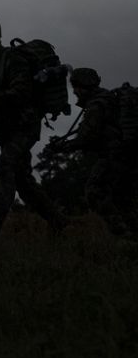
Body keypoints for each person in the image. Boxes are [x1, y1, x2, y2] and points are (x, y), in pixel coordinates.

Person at [0, 14, 67, 237]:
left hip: (24, 126)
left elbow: (20, 92)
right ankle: (58, 221)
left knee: (5, 167)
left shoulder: (12, 60)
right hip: (4, 129)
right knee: (23, 181)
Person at [47, 68, 137, 235]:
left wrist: (64, 147)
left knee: (95, 192)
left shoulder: (96, 105)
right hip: (127, 156)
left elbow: (86, 137)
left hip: (114, 156)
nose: (74, 91)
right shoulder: (107, 98)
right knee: (123, 198)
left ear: (82, 86)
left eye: (75, 87)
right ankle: (132, 234)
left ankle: (123, 233)